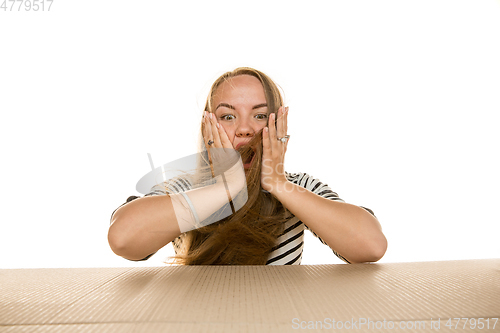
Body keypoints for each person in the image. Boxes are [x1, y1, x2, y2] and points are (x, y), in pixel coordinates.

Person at [108, 67, 387, 265]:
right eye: (228, 117)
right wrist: (225, 188)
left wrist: (278, 184)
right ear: (208, 129)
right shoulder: (185, 188)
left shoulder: (299, 187)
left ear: (279, 125)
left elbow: (371, 246)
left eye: (260, 115)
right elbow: (123, 240)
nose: (244, 129)